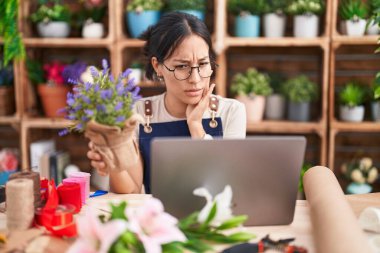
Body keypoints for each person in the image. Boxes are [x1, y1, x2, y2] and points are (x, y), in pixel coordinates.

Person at [87, 12, 246, 194]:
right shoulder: (138, 112)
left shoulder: (231, 111)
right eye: (181, 66)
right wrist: (114, 164)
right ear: (158, 66)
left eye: (202, 64)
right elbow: (131, 193)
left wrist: (196, 128)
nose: (195, 79)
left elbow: (228, 185)